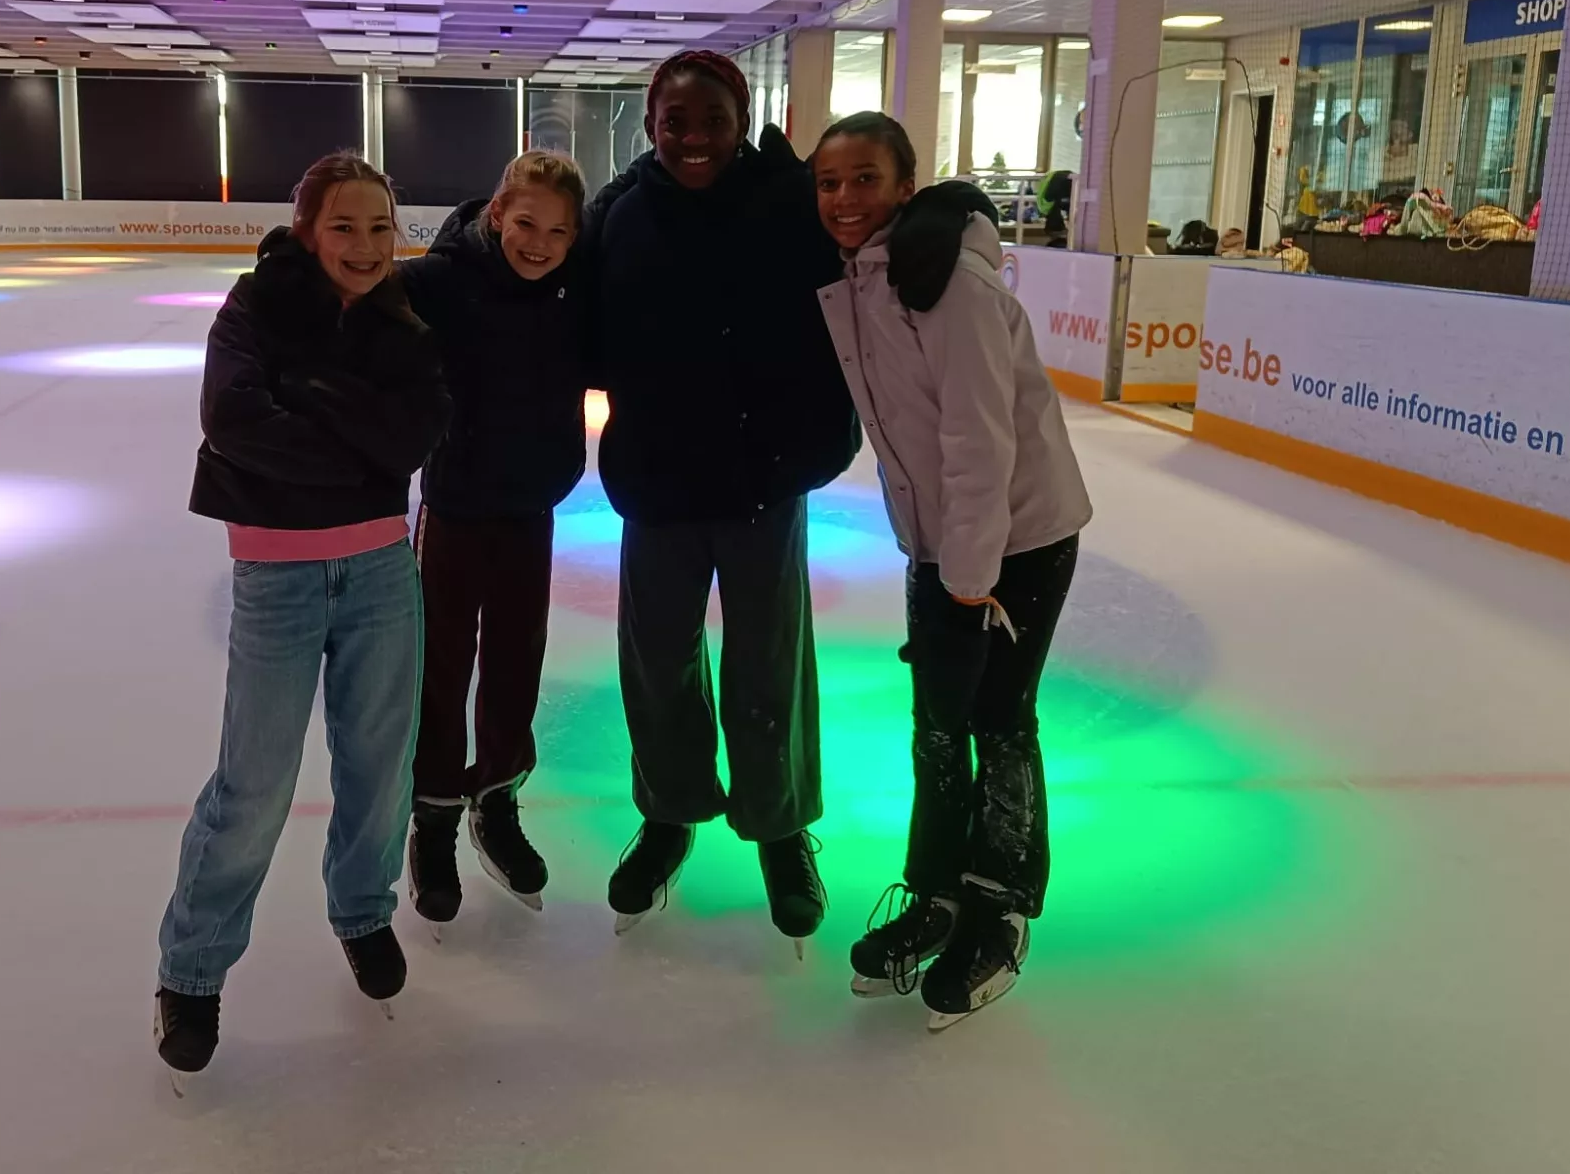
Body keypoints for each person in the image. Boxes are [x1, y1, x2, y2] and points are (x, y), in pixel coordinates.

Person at [155, 153, 451, 1083]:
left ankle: (362, 911)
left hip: (379, 572)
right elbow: (234, 421)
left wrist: (318, 409)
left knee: (380, 766)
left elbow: (414, 439)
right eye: (344, 227)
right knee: (255, 783)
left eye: (380, 228)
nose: (365, 246)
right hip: (278, 575)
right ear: (307, 230)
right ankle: (191, 970)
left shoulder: (404, 319)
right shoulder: (255, 307)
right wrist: (357, 443)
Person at [811, 111, 1092, 1030]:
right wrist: (943, 562)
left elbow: (980, 441)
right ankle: (936, 892)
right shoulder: (864, 276)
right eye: (828, 182)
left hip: (1019, 539)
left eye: (865, 179)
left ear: (906, 185)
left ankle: (999, 911)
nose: (844, 198)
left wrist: (970, 581)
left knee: (998, 722)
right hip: (946, 543)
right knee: (937, 726)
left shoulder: (948, 285)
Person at [584, 50, 859, 947]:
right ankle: (670, 814)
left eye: (713, 119)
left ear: (742, 120)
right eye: (676, 121)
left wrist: (956, 215)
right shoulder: (621, 216)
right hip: (657, 482)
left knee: (768, 660)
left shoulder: (788, 203)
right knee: (658, 661)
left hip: (760, 481)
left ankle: (781, 829)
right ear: (651, 125)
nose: (694, 137)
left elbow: (875, 240)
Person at [397, 151, 590, 923]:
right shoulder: (439, 282)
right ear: (498, 212)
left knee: (516, 661)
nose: (540, 244)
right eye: (527, 224)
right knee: (441, 668)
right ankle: (435, 816)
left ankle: (498, 798)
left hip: (530, 508)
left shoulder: (575, 291)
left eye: (558, 232)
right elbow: (354, 310)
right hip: (454, 506)